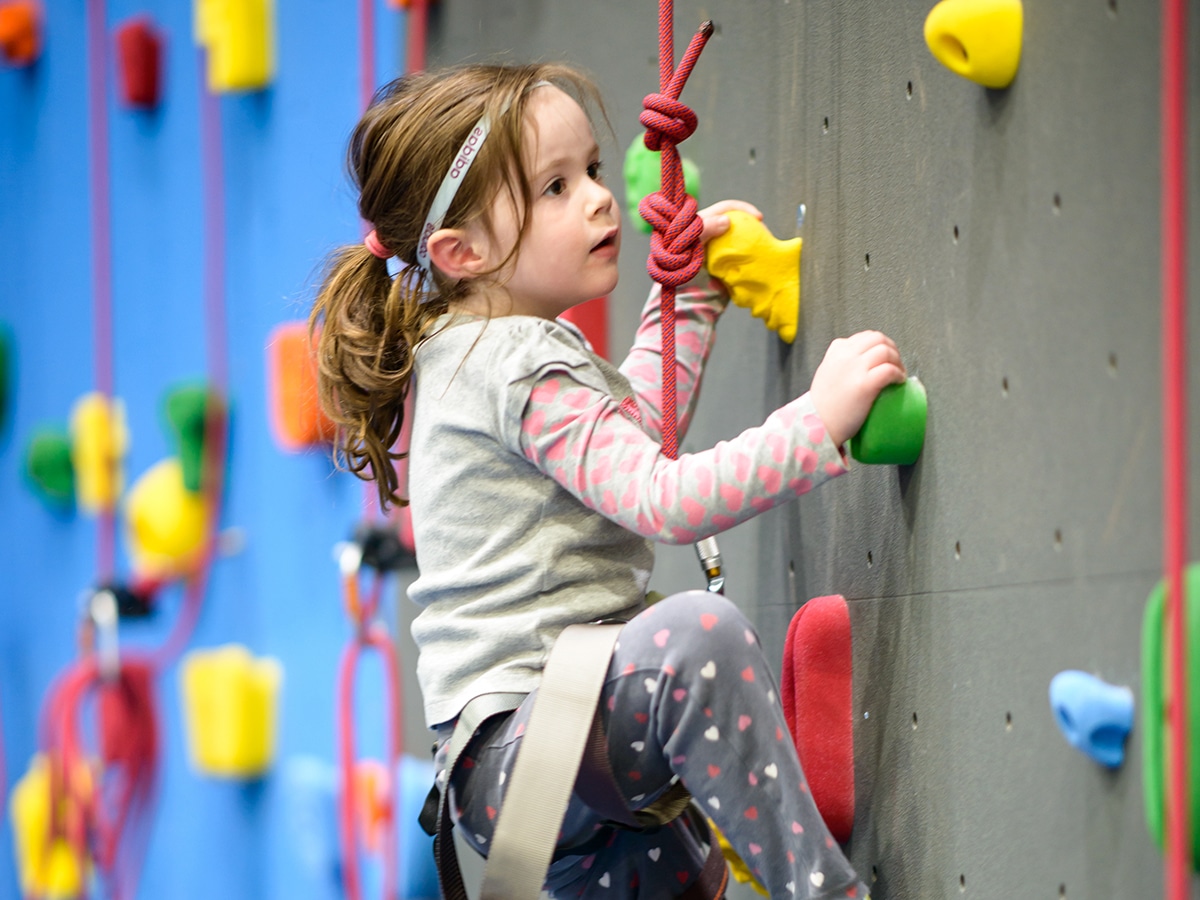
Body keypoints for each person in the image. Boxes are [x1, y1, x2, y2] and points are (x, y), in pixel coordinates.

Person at [311, 62, 904, 899]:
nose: (596, 198)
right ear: (461, 252)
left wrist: (687, 298)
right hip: (539, 745)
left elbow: (627, 446)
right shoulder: (513, 365)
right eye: (554, 187)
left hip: (539, 762)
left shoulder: (478, 354)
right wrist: (819, 421)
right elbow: (663, 498)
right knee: (697, 639)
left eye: (591, 170)